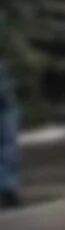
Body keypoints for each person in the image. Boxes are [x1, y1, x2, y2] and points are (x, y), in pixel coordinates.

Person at [0, 54, 20, 209]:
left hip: (6, 105)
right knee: (7, 148)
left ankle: (8, 190)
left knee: (7, 148)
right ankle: (8, 190)